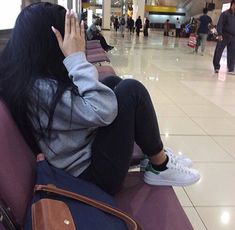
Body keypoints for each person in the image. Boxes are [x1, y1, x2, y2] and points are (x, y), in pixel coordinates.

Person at [0, 2, 200, 195]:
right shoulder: (40, 89)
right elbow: (103, 109)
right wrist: (76, 59)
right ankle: (160, 166)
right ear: (50, 42)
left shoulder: (29, 76)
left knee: (112, 83)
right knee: (131, 90)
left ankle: (152, 153)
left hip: (82, 154)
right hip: (90, 178)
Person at [213, 0, 235, 74]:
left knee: (232, 53)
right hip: (224, 36)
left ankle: (231, 68)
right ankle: (216, 67)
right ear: (232, 4)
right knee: (219, 51)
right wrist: (219, 34)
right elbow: (220, 24)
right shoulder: (225, 14)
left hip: (233, 37)